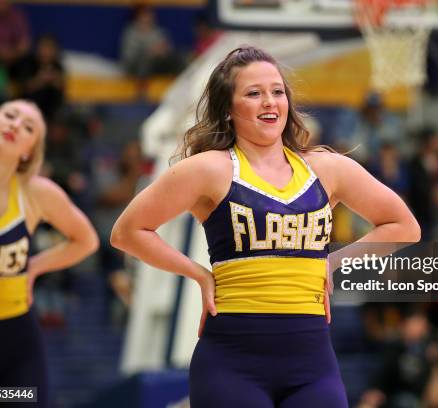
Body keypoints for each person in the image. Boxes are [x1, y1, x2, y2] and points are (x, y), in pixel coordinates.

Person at [110, 46, 420, 407]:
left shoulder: (326, 168)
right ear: (228, 108)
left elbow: (403, 226)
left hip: (312, 364)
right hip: (231, 362)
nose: (269, 102)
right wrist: (198, 274)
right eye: (254, 93)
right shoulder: (209, 169)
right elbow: (128, 231)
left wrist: (330, 262)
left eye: (277, 91)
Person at [0, 100, 99, 406]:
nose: (15, 125)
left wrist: (36, 266)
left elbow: (86, 240)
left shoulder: (37, 193)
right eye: (10, 116)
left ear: (29, 151)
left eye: (28, 127)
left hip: (16, 343)